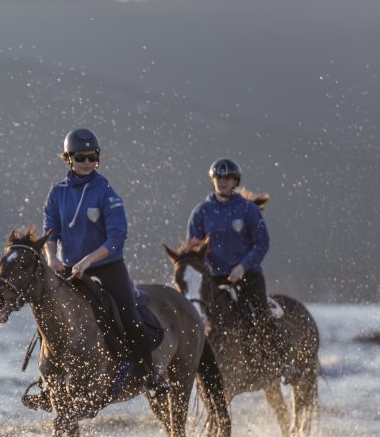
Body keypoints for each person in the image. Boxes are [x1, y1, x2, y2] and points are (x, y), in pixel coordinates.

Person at [41, 128, 170, 398]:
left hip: (106, 266)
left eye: (91, 157)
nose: (86, 162)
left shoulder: (105, 191)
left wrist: (89, 260)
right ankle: (46, 381)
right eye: (80, 157)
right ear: (68, 159)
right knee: (48, 316)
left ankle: (149, 374)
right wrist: (52, 258)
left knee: (129, 315)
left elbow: (116, 237)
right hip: (70, 269)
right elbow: (50, 230)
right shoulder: (57, 192)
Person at [187, 157, 299, 382]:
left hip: (248, 275)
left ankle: (283, 363)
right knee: (196, 318)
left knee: (260, 317)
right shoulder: (201, 212)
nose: (222, 181)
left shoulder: (248, 210)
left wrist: (242, 266)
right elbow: (194, 248)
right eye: (218, 177)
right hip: (214, 279)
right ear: (213, 180)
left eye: (227, 177)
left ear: (235, 181)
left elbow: (262, 243)